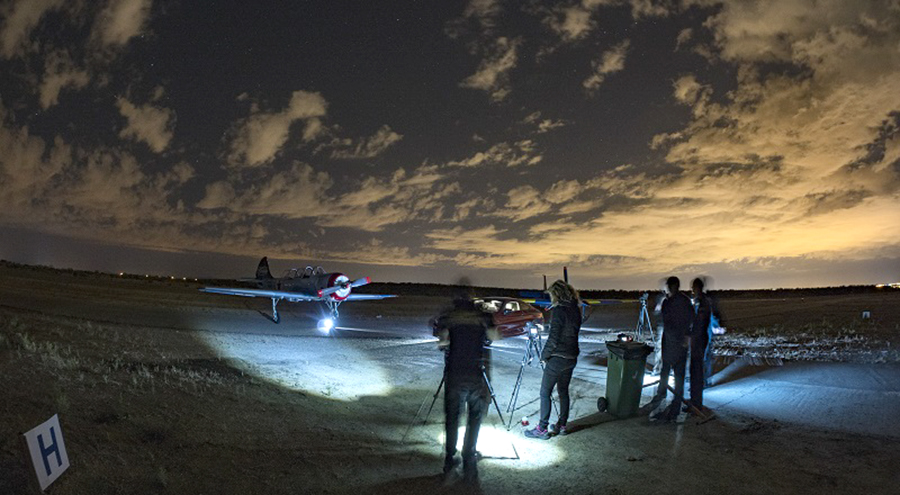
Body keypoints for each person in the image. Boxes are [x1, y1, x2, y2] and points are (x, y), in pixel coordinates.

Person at [433, 290, 500, 483]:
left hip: (454, 373)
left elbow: (442, 343)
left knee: (452, 417)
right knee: (475, 417)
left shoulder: (450, 318)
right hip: (475, 374)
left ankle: (449, 457)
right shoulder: (481, 318)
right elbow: (494, 336)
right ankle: (469, 455)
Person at [525, 280, 582, 440]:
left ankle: (542, 428)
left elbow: (554, 337)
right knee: (563, 392)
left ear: (557, 294)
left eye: (551, 295)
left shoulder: (558, 310)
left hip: (558, 357)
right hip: (571, 356)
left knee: (545, 392)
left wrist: (544, 356)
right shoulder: (575, 309)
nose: (550, 298)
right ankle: (562, 425)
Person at [652, 276, 693, 421]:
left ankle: (670, 403)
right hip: (676, 344)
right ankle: (671, 402)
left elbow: (666, 321)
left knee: (674, 374)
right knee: (676, 376)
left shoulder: (669, 303)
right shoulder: (685, 301)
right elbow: (690, 322)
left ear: (670, 287)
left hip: (673, 344)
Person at [689, 277, 712, 411]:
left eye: (693, 288)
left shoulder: (702, 302)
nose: (692, 290)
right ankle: (694, 401)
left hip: (699, 339)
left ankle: (696, 403)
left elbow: (699, 323)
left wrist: (691, 336)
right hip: (699, 338)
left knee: (696, 371)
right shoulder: (702, 301)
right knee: (695, 370)